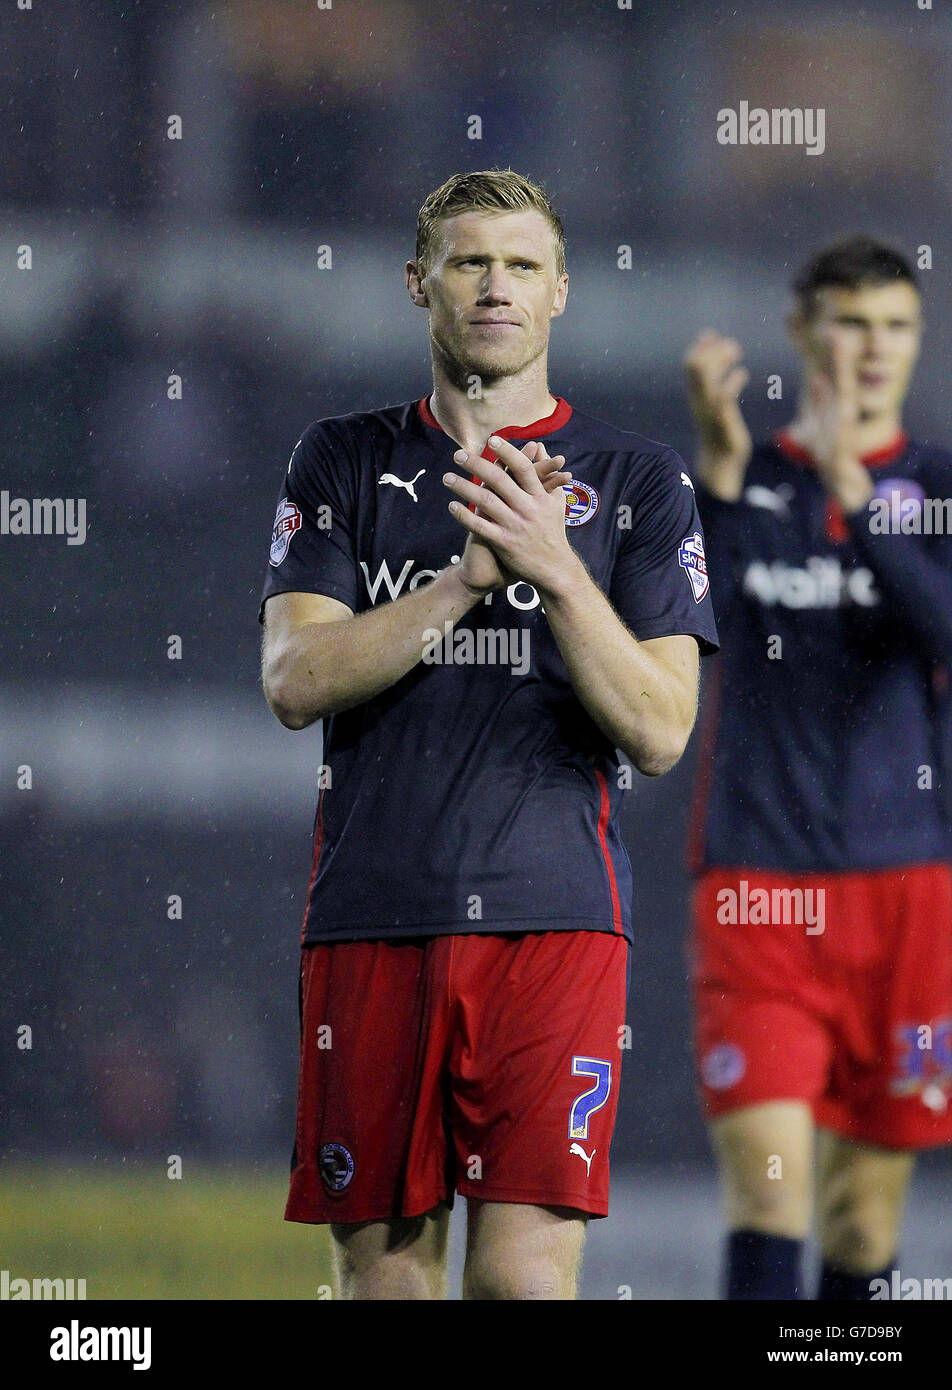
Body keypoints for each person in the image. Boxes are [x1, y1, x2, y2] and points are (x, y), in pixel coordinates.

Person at [259, 168, 719, 1300]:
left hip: (553, 919)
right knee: (388, 1281)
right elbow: (293, 676)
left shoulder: (634, 482)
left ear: (560, 291)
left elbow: (661, 729)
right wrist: (462, 584)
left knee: (520, 1280)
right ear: (421, 285)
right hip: (372, 912)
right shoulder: (341, 459)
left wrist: (556, 570)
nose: (495, 287)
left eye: (521, 265)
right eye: (469, 262)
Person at [684, 237, 952, 1301]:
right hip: (758, 886)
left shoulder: (935, 484)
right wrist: (714, 470)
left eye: (894, 324)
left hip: (908, 894)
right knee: (770, 1193)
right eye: (849, 321)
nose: (872, 347)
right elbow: (703, 618)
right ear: (801, 332)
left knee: (860, 1216)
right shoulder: (740, 476)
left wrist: (859, 498)